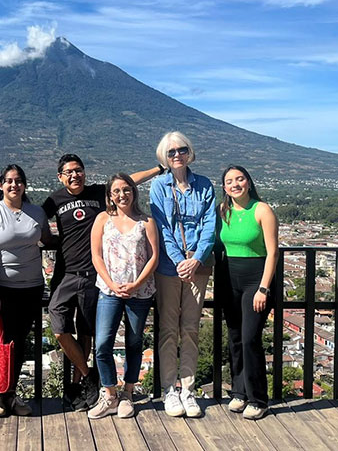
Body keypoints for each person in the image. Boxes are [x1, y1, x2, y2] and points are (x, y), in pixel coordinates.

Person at [42, 154, 162, 410]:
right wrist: (47, 240)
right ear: (60, 177)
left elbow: (129, 181)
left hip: (93, 276)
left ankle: (81, 387)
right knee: (60, 327)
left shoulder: (99, 193)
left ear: (84, 172)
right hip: (67, 273)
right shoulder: (55, 199)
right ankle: (89, 375)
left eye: (78, 170)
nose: (75, 175)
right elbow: (36, 219)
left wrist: (159, 169)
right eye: (68, 172)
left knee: (87, 332)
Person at [0, 164, 56, 417]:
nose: (14, 185)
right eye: (9, 181)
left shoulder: (36, 212)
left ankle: (9, 394)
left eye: (18, 180)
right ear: (1, 185)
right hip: (2, 288)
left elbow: (47, 239)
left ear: (24, 185)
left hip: (32, 287)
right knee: (1, 342)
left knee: (19, 342)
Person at [149, 131, 216, 418]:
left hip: (197, 267)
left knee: (190, 329)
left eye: (182, 150)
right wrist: (180, 261)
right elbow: (161, 227)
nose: (177, 155)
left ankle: (188, 389)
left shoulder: (204, 185)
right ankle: (169, 390)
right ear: (164, 157)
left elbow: (210, 224)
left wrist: (197, 259)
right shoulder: (158, 186)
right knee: (167, 329)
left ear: (190, 152)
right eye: (171, 152)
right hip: (169, 267)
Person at [87, 173, 158, 419]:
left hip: (140, 292)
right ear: (110, 195)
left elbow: (154, 256)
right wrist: (111, 283)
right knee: (102, 344)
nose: (122, 195)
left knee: (134, 343)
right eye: (116, 191)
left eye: (126, 189)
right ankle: (110, 395)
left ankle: (128, 393)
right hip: (109, 291)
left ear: (133, 192)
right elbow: (96, 255)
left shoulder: (146, 221)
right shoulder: (102, 219)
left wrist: (136, 283)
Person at [217, 165, 278, 420]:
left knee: (250, 338)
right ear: (224, 187)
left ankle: (258, 399)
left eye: (240, 179)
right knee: (235, 338)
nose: (235, 184)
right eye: (230, 181)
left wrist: (263, 288)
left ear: (249, 182)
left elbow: (273, 252)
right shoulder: (223, 211)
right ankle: (239, 392)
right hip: (229, 279)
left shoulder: (262, 210)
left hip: (256, 280)